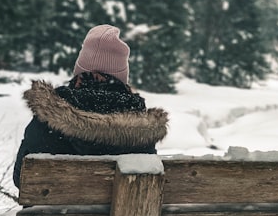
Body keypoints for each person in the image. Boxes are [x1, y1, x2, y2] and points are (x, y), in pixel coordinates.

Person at [13, 24, 168, 188]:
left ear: (80, 70)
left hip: (50, 213)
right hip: (126, 213)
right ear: (122, 75)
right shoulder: (141, 124)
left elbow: (21, 179)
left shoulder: (49, 114)